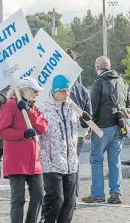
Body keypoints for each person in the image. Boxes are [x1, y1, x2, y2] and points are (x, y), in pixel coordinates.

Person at [38, 75, 92, 223]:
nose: (66, 94)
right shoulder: (44, 110)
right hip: (51, 162)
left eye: (68, 90)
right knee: (56, 199)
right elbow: (37, 133)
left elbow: (80, 134)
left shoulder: (72, 110)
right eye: (63, 91)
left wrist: (84, 125)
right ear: (54, 91)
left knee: (69, 203)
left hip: (70, 163)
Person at [0, 77, 48, 223]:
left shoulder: (32, 107)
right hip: (16, 160)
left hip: (33, 161)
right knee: (18, 199)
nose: (37, 93)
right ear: (25, 90)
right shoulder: (10, 105)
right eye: (34, 90)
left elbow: (43, 127)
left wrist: (29, 111)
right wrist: (22, 134)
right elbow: (0, 131)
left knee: (38, 196)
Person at [82, 56, 130, 205]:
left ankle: (97, 195)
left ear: (97, 68)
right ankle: (115, 193)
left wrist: (89, 129)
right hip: (118, 126)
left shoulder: (98, 83)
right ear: (109, 66)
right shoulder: (122, 82)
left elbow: (93, 109)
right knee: (114, 160)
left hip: (101, 127)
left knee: (96, 160)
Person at [66, 49, 92, 204]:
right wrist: (87, 130)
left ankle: (68, 196)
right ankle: (74, 195)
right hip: (81, 133)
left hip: (67, 131)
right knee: (75, 162)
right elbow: (89, 114)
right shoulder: (83, 90)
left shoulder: (62, 90)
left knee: (66, 164)